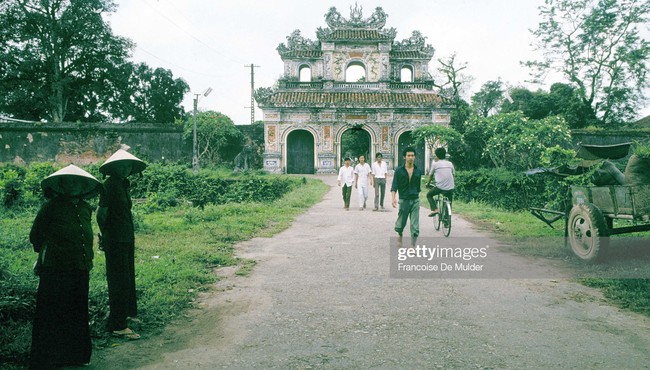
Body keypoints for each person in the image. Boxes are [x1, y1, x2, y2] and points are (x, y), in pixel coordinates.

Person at [29, 165, 102, 369]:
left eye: (77, 182)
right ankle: (48, 360)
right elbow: (36, 235)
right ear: (61, 186)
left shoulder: (86, 208)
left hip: (81, 267)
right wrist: (47, 252)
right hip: (56, 269)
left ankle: (75, 355)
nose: (73, 186)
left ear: (84, 186)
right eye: (69, 182)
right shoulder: (51, 207)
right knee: (53, 313)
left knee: (77, 311)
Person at [97, 149, 147, 340]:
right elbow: (101, 214)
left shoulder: (123, 184)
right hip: (115, 239)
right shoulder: (109, 185)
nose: (127, 168)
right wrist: (107, 235)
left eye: (129, 166)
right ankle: (117, 325)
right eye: (123, 165)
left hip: (126, 237)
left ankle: (125, 315)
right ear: (114, 168)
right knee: (118, 280)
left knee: (127, 278)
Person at [391, 147, 423, 247]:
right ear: (404, 157)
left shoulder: (418, 171)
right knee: (401, 222)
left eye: (412, 155)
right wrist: (393, 198)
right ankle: (400, 235)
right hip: (404, 200)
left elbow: (418, 187)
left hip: (415, 200)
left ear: (415, 157)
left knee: (415, 224)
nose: (410, 157)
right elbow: (394, 185)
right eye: (408, 155)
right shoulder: (399, 171)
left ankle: (413, 245)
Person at [426, 147, 455, 218]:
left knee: (429, 195)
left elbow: (430, 176)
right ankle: (447, 220)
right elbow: (453, 175)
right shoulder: (450, 163)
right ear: (445, 155)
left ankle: (435, 209)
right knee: (449, 200)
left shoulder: (435, 164)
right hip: (450, 187)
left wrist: (427, 184)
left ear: (437, 155)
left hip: (440, 187)